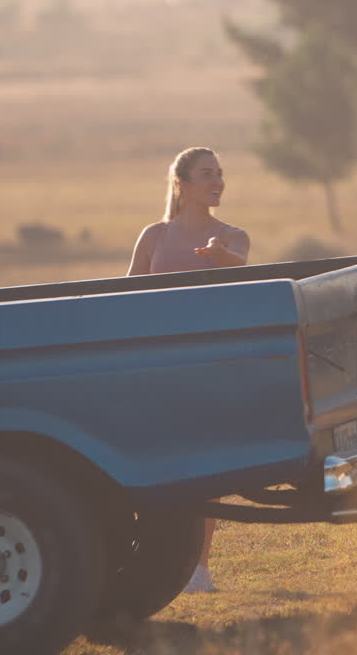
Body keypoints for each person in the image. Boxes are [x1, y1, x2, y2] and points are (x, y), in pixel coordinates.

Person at [127, 146, 249, 592]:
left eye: (220, 173)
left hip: (209, 362)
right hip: (158, 365)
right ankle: (157, 562)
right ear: (181, 184)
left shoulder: (232, 235)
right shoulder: (153, 236)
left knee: (206, 466)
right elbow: (128, 296)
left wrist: (219, 257)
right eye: (206, 174)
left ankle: (198, 568)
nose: (217, 181)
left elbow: (243, 268)